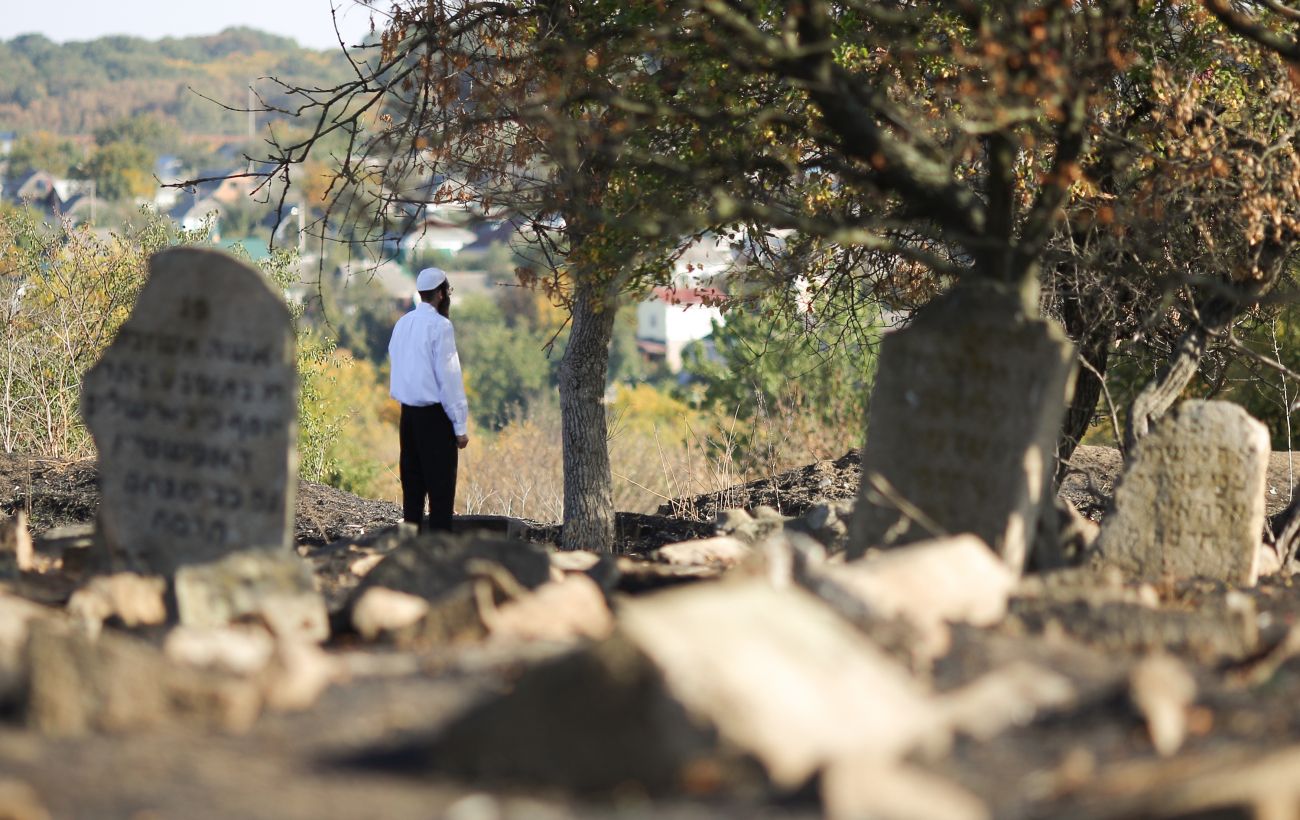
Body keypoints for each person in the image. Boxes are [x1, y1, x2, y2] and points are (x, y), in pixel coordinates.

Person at [388, 267, 469, 531]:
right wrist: (460, 427)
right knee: (440, 495)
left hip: (407, 417)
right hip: (435, 418)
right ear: (441, 293)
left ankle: (410, 551)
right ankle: (439, 554)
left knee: (412, 493)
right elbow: (450, 380)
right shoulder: (440, 326)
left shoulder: (403, 324)